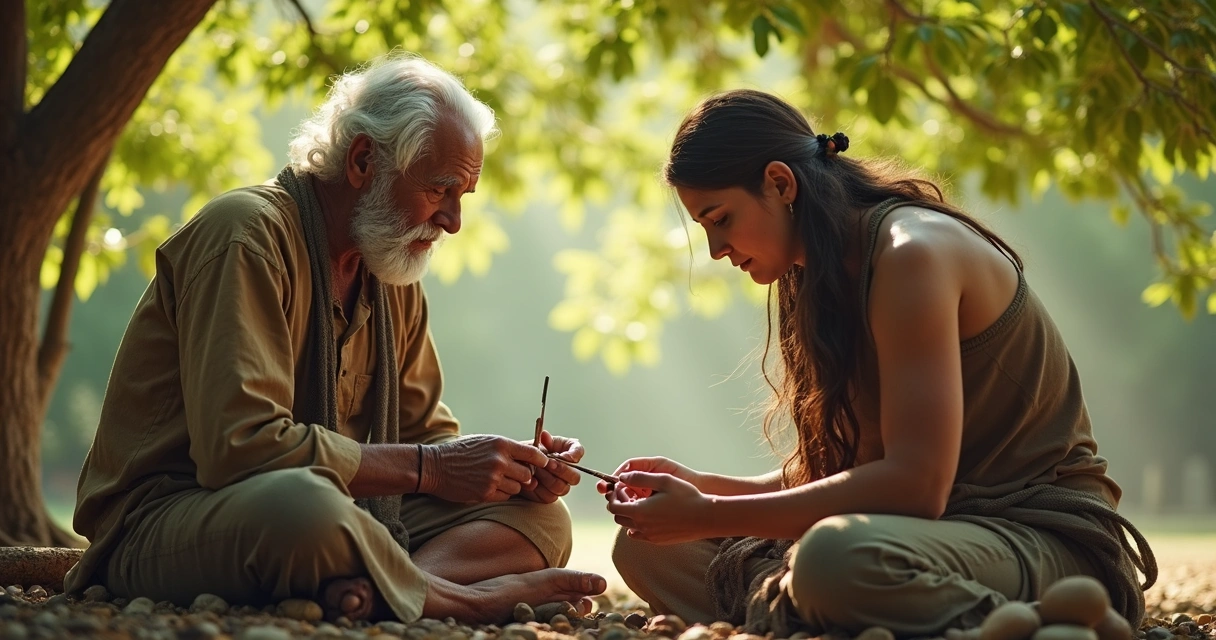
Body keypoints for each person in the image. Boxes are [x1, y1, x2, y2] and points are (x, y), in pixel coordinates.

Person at [64, 53, 605, 624]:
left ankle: (380, 590)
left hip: (341, 510)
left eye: (462, 195)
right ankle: (464, 599)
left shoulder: (390, 270)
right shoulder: (245, 235)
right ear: (364, 160)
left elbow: (422, 439)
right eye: (440, 188)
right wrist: (434, 467)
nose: (453, 221)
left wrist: (510, 469)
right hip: (176, 514)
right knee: (307, 508)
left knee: (541, 520)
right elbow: (241, 450)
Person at [601, 89, 1156, 637]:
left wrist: (710, 512)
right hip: (925, 538)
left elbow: (915, 486)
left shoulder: (913, 253)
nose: (716, 248)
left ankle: (1034, 623)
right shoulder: (821, 273)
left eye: (720, 218)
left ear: (780, 183)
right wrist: (708, 489)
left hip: (1037, 539)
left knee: (833, 557)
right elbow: (855, 469)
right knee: (650, 550)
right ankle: (846, 613)